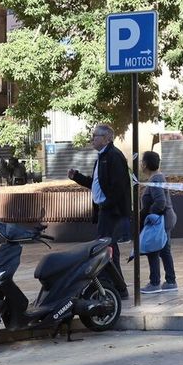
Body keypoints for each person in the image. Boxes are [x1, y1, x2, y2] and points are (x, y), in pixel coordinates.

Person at [68, 123, 131, 295]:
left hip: (112, 212)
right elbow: (97, 185)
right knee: (108, 249)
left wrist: (107, 205)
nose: (92, 139)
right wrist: (78, 177)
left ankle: (114, 286)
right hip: (105, 211)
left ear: (107, 138)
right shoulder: (102, 156)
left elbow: (119, 188)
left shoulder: (113, 156)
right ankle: (117, 286)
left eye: (95, 136)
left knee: (105, 249)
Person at [138, 150, 177, 294]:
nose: (141, 164)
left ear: (146, 164)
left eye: (142, 161)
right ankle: (171, 281)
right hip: (165, 218)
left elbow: (160, 201)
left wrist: (150, 215)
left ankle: (155, 283)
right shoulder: (158, 178)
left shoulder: (155, 180)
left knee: (153, 249)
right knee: (165, 250)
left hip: (159, 220)